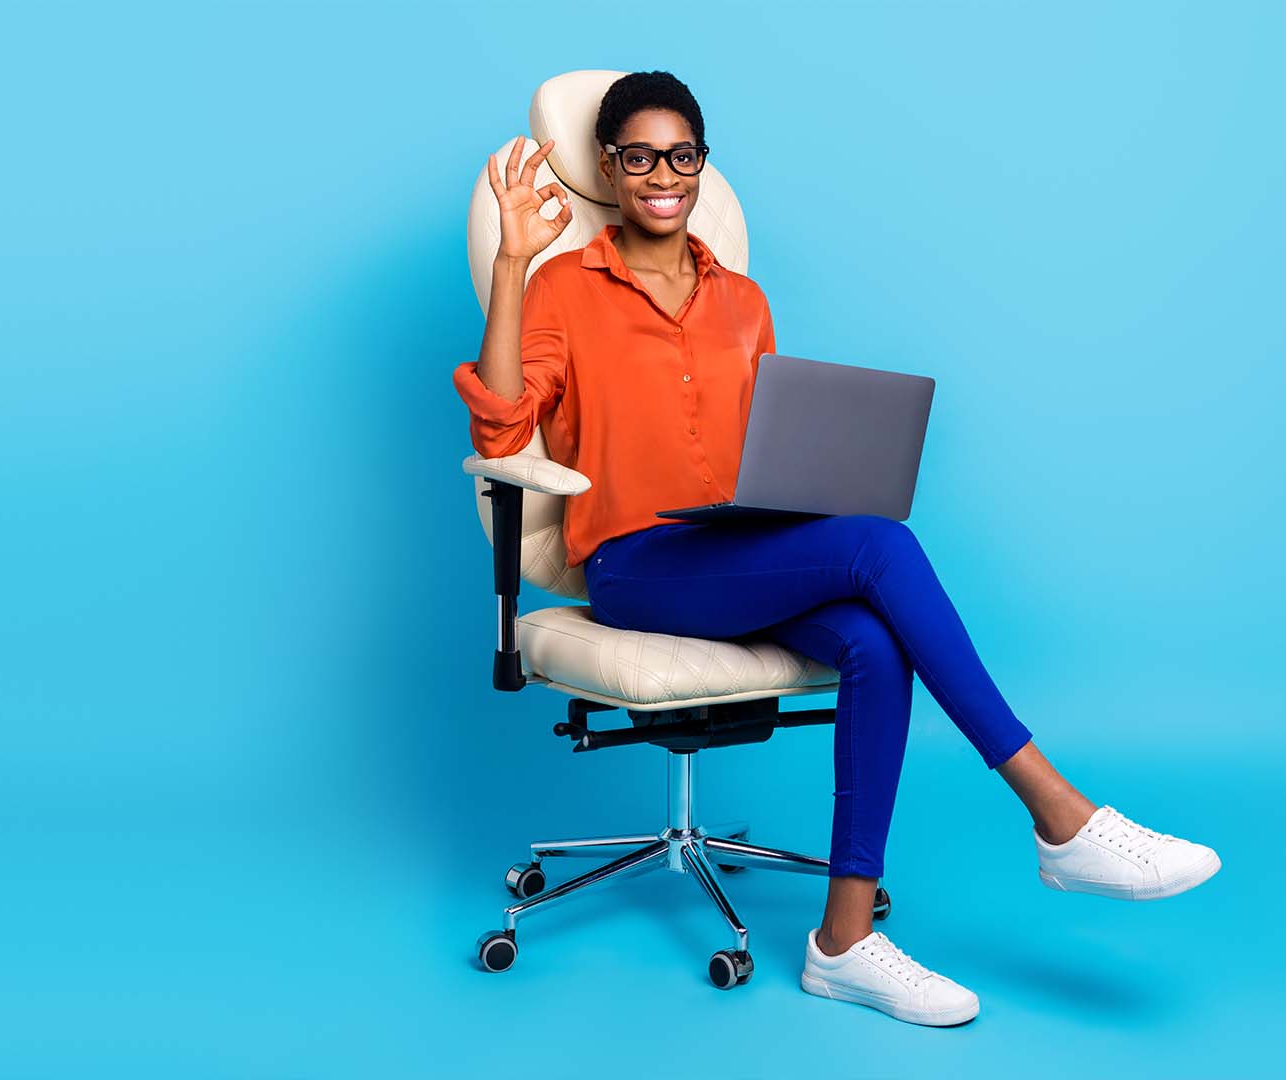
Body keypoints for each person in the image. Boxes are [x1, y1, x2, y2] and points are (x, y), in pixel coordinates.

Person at [452, 71, 1221, 1027]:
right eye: (640, 156)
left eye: (682, 155)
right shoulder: (567, 283)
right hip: (636, 566)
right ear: (608, 167)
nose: (663, 175)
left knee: (872, 636)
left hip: (733, 549)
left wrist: (807, 488)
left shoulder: (742, 299)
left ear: (702, 164)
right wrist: (515, 268)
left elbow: (762, 451)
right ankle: (1058, 814)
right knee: (881, 550)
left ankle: (844, 944)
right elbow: (500, 430)